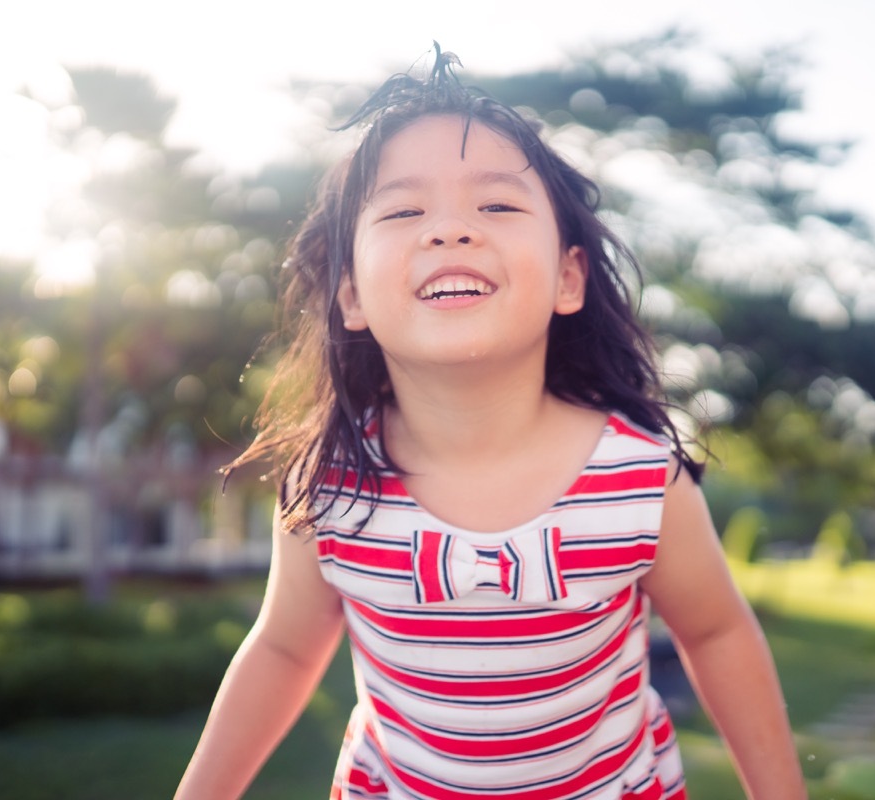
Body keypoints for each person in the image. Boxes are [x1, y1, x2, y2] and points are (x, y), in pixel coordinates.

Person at [176, 47, 807, 800]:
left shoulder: (640, 480)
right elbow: (281, 649)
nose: (449, 230)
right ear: (350, 296)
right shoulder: (328, 487)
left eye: (498, 206)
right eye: (404, 210)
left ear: (568, 277)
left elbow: (717, 633)